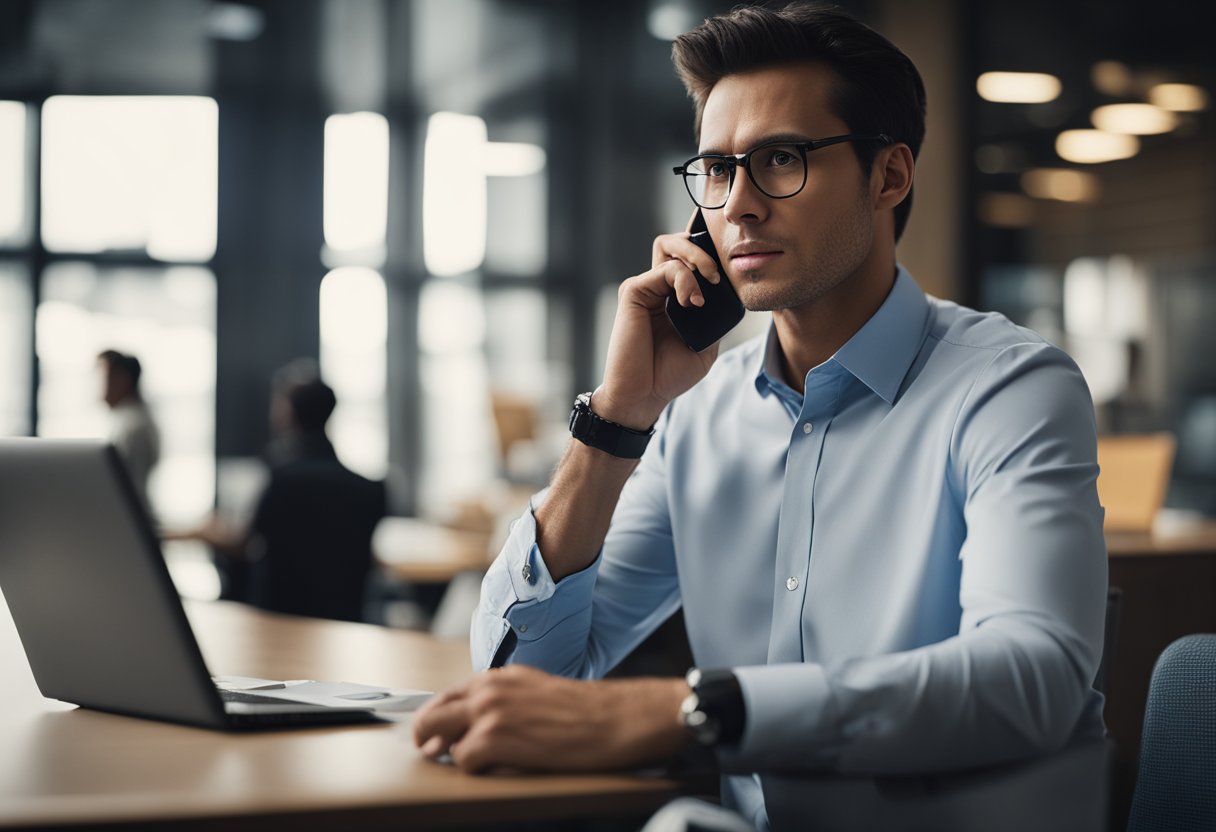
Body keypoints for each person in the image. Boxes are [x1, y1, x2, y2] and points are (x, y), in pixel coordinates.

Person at [412, 5, 1107, 829]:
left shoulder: (1012, 388)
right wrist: (618, 419)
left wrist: (691, 710)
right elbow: (522, 673)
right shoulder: (695, 413)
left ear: (890, 176)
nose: (736, 206)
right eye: (716, 168)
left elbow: (1030, 679)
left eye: (781, 160)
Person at [175, 360, 386, 622]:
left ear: (287, 413)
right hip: (346, 619)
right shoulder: (370, 489)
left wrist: (205, 531)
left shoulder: (282, 480)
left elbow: (245, 543)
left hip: (278, 622)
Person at [98, 349, 161, 512]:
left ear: (122, 380)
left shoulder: (133, 426)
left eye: (103, 378)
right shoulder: (132, 419)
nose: (98, 386)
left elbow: (127, 486)